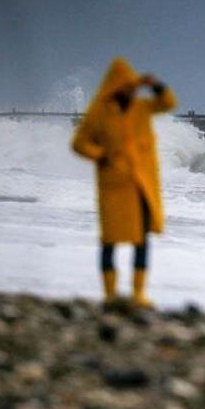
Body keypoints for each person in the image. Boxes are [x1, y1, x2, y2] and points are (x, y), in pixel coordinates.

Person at [71, 57, 176, 310]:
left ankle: (138, 293)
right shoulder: (98, 113)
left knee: (141, 239)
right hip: (113, 185)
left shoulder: (141, 108)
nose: (130, 91)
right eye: (126, 87)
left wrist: (156, 85)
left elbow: (168, 103)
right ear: (114, 87)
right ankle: (109, 295)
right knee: (109, 240)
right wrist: (100, 155)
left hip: (140, 184)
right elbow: (79, 143)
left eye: (133, 87)